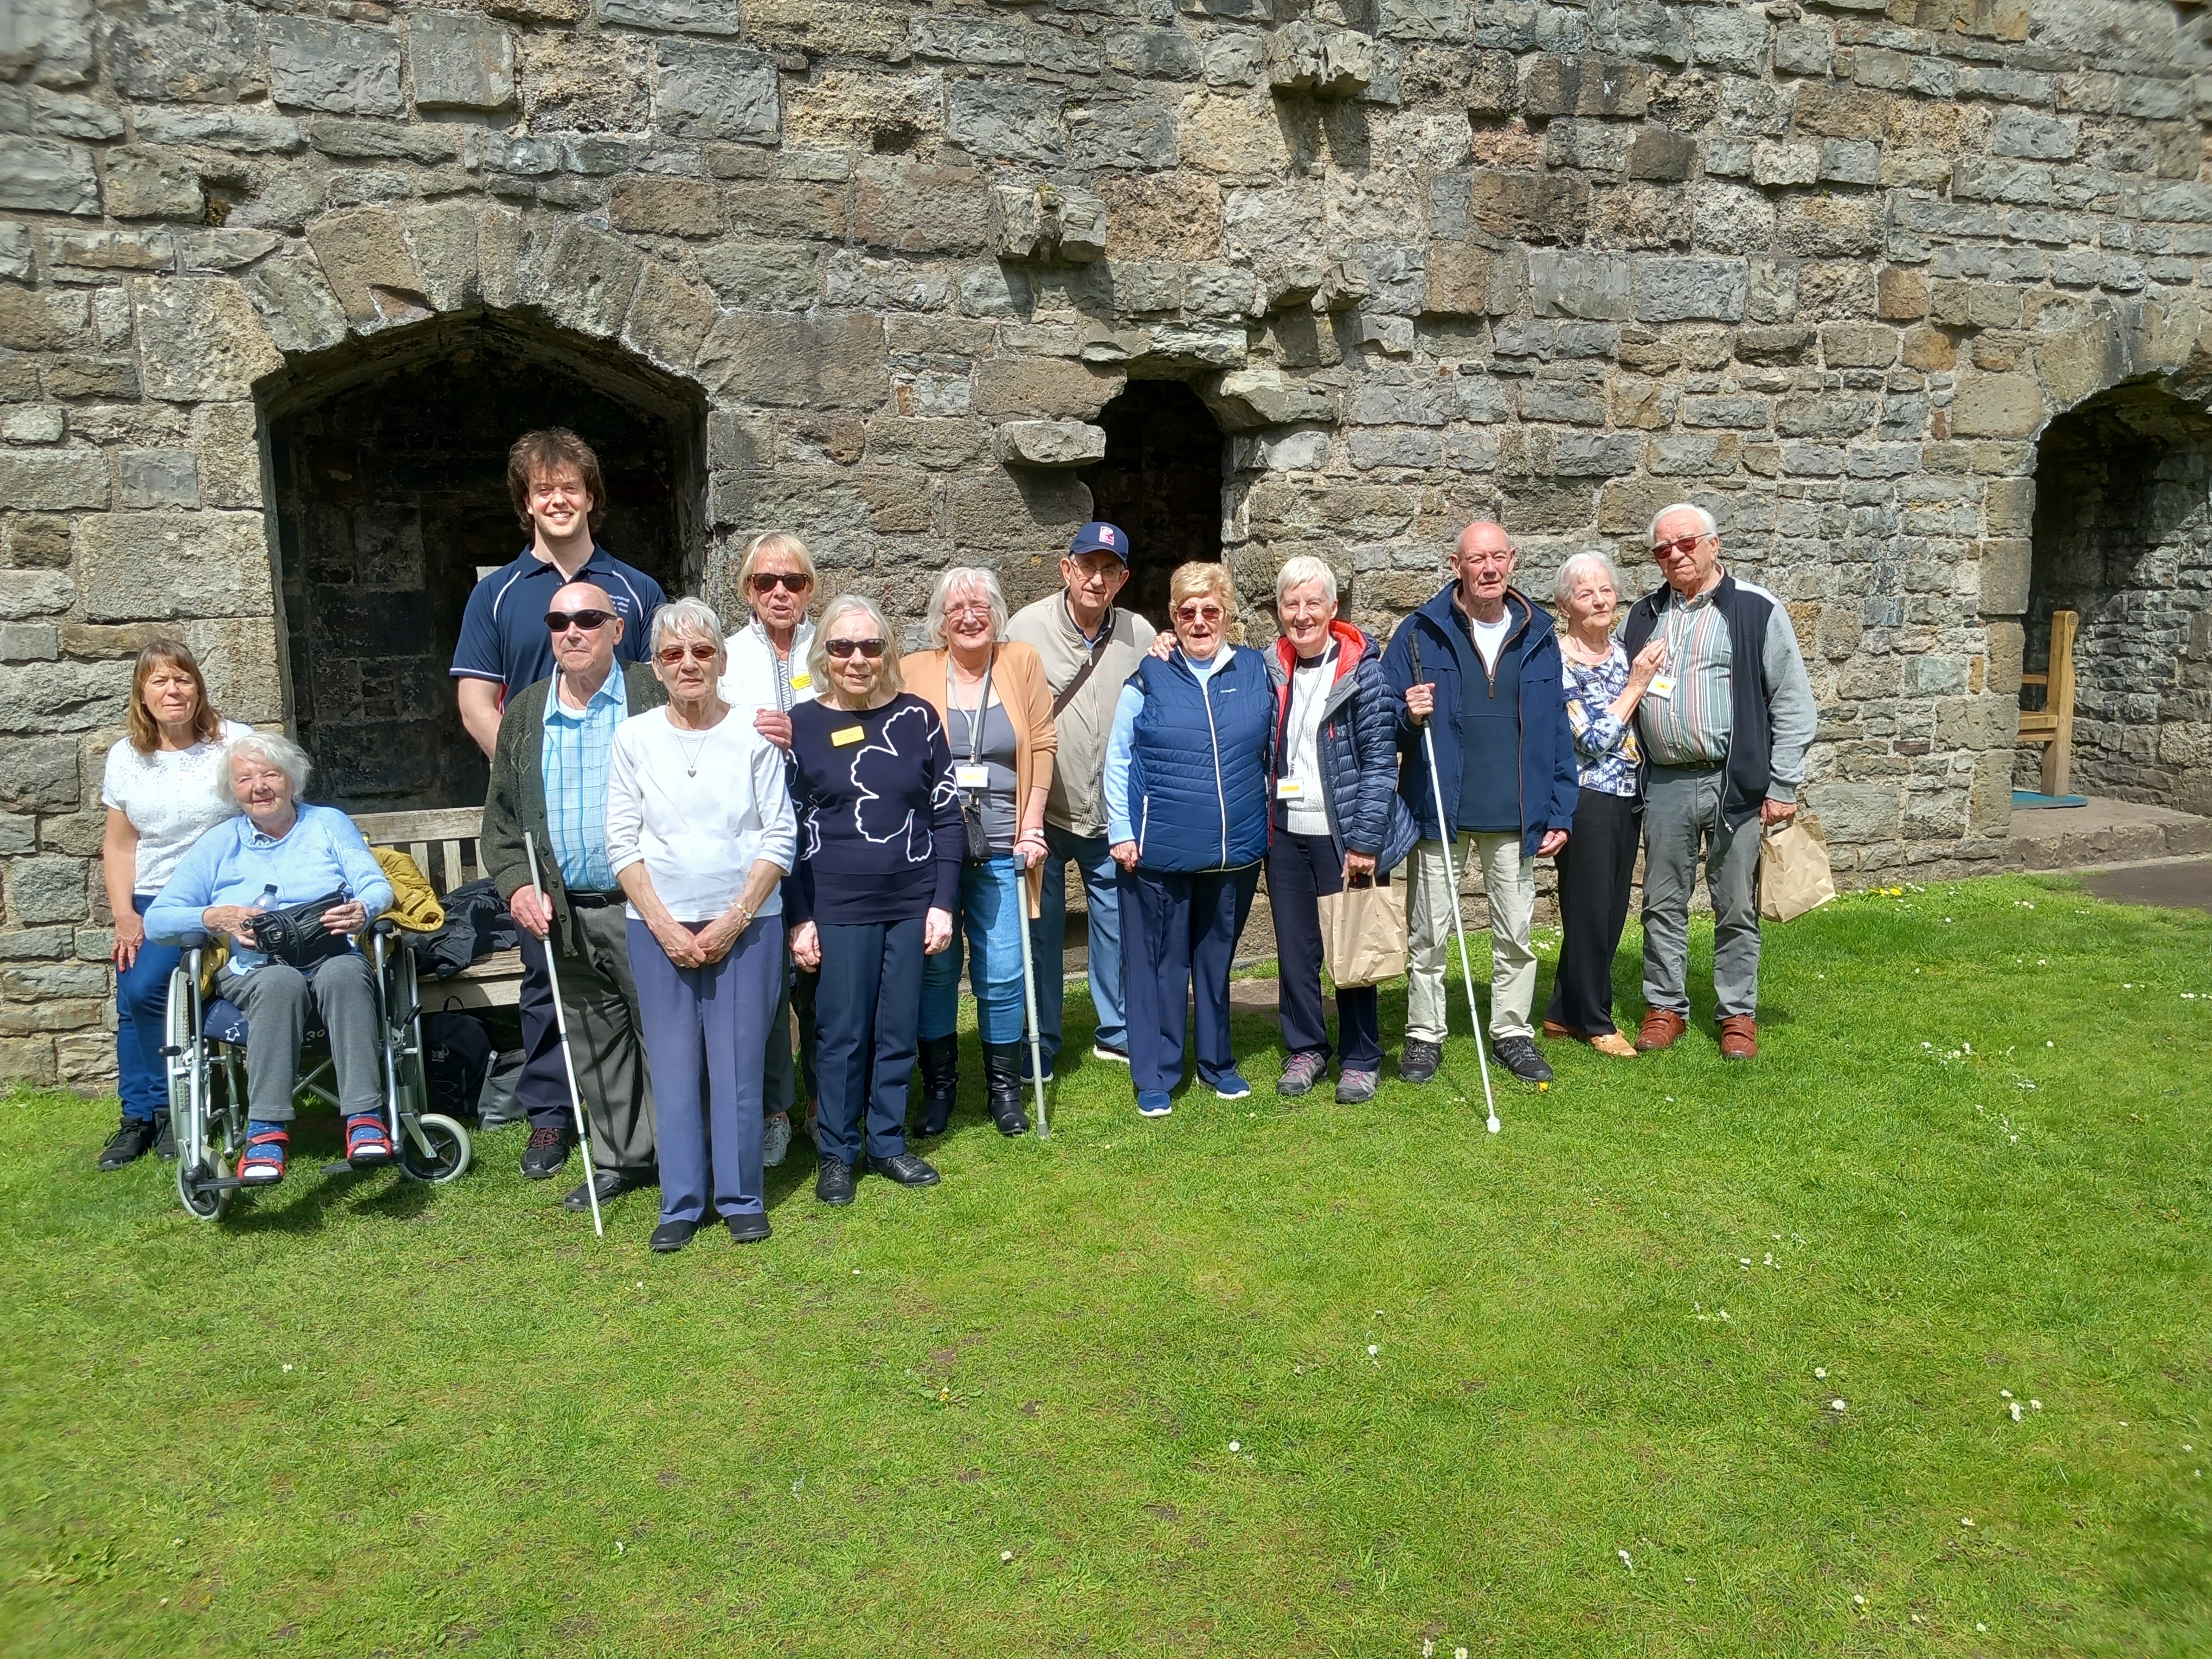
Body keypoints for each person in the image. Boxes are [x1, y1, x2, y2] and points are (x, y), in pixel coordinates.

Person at [451, 429, 668, 1183]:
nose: (557, 499)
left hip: (633, 831)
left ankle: (664, 1136)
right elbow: (477, 699)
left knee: (648, 999)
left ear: (590, 496)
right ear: (526, 503)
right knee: (552, 989)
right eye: (542, 489)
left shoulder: (636, 589)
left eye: (569, 486)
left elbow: (672, 690)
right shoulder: (499, 593)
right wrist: (532, 767)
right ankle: (552, 1119)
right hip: (551, 812)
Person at [607, 599, 795, 1252]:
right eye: (672, 654)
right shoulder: (633, 738)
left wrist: (733, 919)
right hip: (657, 927)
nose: (689, 664)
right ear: (656, 667)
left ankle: (742, 1198)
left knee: (740, 1067)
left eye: (702, 652)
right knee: (675, 1069)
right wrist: (662, 924)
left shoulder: (753, 734)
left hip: (748, 925)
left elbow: (780, 835)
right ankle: (681, 1203)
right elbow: (621, 842)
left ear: (720, 659)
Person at [480, 579, 667, 1214]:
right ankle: (620, 1159)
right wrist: (517, 886)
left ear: (618, 629)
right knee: (596, 1042)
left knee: (663, 1033)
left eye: (589, 618)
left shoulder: (652, 692)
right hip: (564, 912)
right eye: (559, 623)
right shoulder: (527, 713)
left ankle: (686, 1158)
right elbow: (503, 823)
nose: (573, 632)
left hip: (644, 906)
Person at [144, 733, 395, 1188]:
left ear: (292, 780)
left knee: (344, 971)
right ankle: (264, 1132)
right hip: (255, 971)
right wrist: (216, 915)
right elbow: (158, 920)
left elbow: (375, 884)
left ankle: (365, 1119)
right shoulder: (219, 844)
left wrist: (364, 908)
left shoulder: (328, 824)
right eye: (245, 779)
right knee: (281, 982)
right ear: (233, 792)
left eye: (270, 774)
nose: (259, 786)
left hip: (330, 953)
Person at [1385, 521, 1580, 1086]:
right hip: (1438, 811)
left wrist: (1560, 810)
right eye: (1477, 559)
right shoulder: (1419, 633)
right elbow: (1382, 719)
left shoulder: (1539, 634)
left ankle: (1511, 1032)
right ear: (1457, 565)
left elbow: (1556, 734)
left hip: (1516, 814)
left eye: (1498, 557)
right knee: (1428, 933)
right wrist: (1407, 714)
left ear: (1513, 560)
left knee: (1516, 933)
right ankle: (1424, 1036)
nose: (1489, 568)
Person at [1621, 504, 1817, 1059]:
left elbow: (1793, 702)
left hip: (1736, 784)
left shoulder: (1756, 609)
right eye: (1662, 549)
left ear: (1715, 544)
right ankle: (1664, 1007)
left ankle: (1737, 1014)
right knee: (1662, 902)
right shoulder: (1642, 615)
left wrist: (1782, 784)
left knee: (1735, 904)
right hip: (1663, 782)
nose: (1675, 555)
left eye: (1685, 544)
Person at [785, 595, 962, 1204]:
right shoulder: (800, 725)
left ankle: (886, 1142)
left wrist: (942, 903)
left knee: (896, 1027)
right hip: (836, 902)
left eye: (870, 646)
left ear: (887, 651)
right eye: (842, 647)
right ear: (824, 656)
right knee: (840, 1031)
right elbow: (785, 828)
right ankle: (837, 1150)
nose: (857, 658)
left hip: (910, 897)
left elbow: (947, 816)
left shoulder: (918, 718)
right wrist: (800, 917)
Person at [1105, 562, 1272, 1119]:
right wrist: (1123, 831)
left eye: (1209, 610)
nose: (1199, 621)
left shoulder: (1254, 669)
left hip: (1235, 848)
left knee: (1216, 963)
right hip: (1161, 850)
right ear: (1172, 617)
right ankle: (1156, 1074)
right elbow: (1118, 757)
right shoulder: (1148, 676)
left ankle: (1218, 1064)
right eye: (1187, 611)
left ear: (1226, 614)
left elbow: (1274, 746)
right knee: (1160, 965)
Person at [902, 568, 1057, 1137]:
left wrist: (1033, 825)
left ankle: (1004, 1092)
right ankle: (941, 1090)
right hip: (933, 851)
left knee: (1004, 972)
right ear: (939, 620)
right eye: (956, 608)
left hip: (1003, 846)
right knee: (937, 971)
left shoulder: (1020, 661)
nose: (969, 617)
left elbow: (1041, 742)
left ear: (996, 611)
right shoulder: (913, 670)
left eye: (980, 606)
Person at [1264, 558, 1419, 1106]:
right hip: (1284, 834)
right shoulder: (1271, 668)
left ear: (1333, 609)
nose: (1301, 615)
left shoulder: (1363, 671)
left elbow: (1381, 764)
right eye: (1291, 604)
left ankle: (1360, 1057)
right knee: (1296, 950)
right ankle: (1306, 1048)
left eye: (1313, 604)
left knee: (1353, 943)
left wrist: (1364, 842)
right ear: (1279, 609)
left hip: (1344, 834)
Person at [1006, 522, 1156, 1076]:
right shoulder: (1026, 629)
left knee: (1115, 927)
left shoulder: (1140, 633)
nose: (1097, 579)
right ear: (1066, 569)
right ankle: (1040, 1041)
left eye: (1109, 569)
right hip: (1044, 813)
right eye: (1087, 566)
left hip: (1109, 815)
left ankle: (1115, 1031)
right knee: (1040, 932)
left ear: (1123, 578)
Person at [95, 641, 250, 1169]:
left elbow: (274, 806)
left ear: (198, 686)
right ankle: (136, 1120)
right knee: (129, 999)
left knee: (144, 990)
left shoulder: (234, 742)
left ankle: (169, 1110)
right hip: (150, 896)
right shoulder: (127, 756)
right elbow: (120, 844)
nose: (172, 691)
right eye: (159, 681)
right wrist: (125, 915)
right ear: (143, 693)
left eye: (182, 679)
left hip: (215, 895)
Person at [718, 531, 819, 1169]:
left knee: (821, 976)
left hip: (829, 833)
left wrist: (802, 732)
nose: (779, 592)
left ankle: (824, 1105)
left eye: (793, 581)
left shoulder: (835, 643)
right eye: (765, 582)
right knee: (762, 983)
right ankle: (774, 1109)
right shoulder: (726, 655)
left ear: (810, 588)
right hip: (754, 838)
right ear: (748, 591)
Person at [1543, 553, 1664, 1059]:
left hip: (1628, 793)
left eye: (1606, 591)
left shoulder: (1621, 651)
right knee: (1590, 909)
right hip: (1587, 795)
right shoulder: (1557, 660)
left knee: (1611, 910)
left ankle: (1561, 1012)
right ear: (1565, 604)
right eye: (1585, 593)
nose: (1598, 600)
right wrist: (1637, 685)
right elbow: (1589, 737)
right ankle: (1597, 1019)